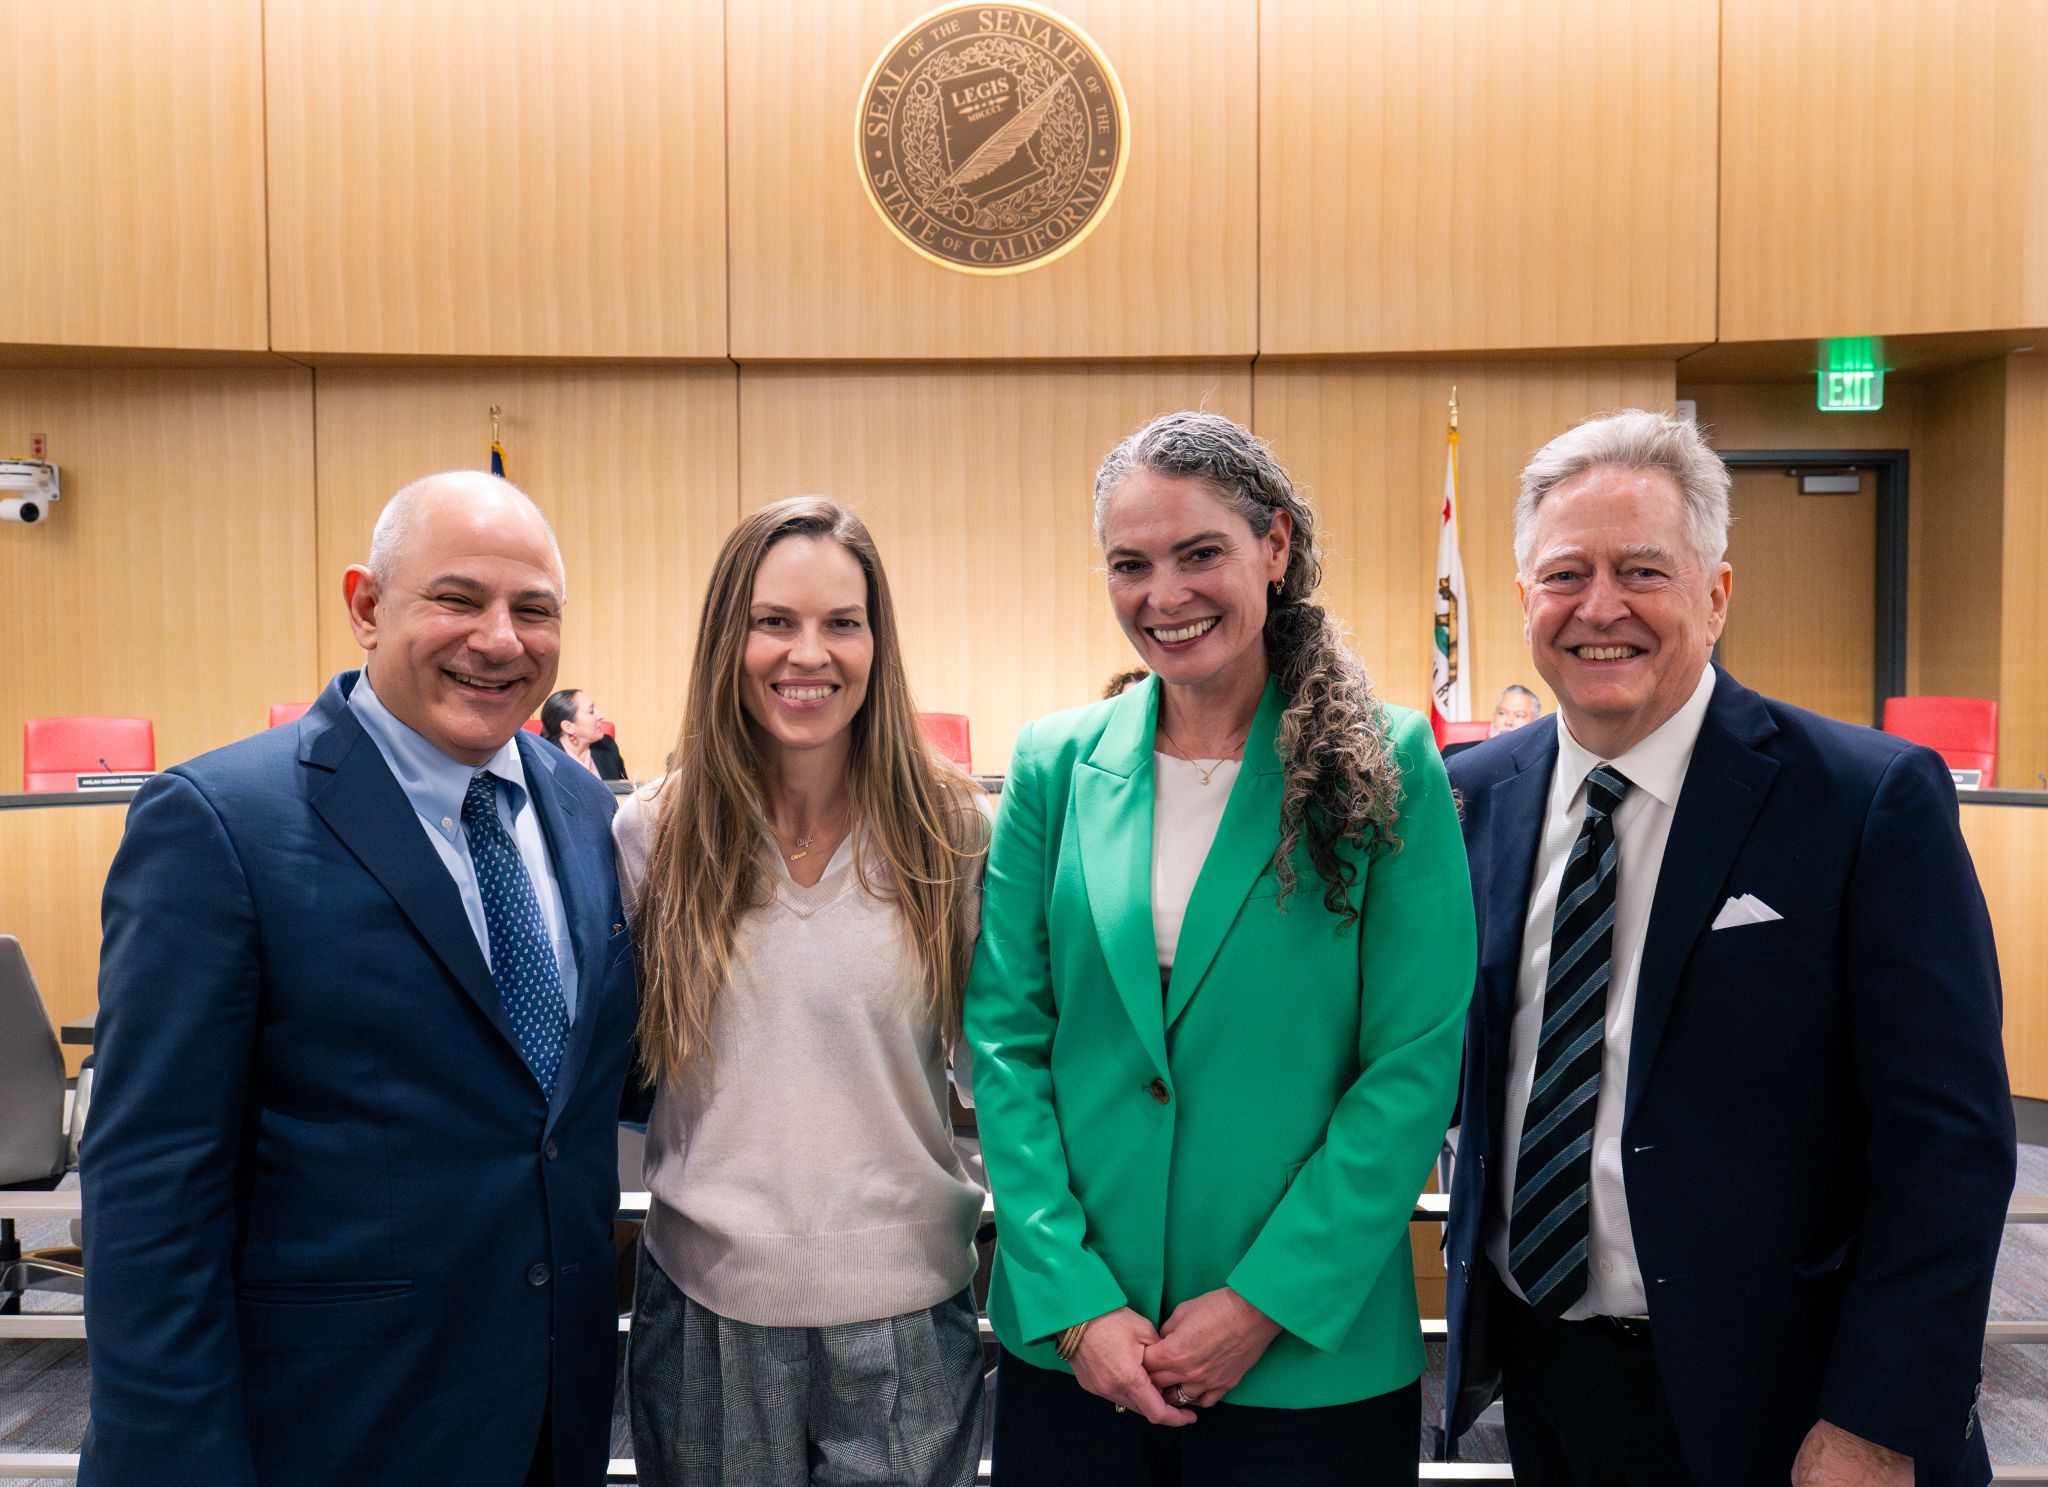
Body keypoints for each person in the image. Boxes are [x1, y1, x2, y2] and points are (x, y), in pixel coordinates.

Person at [1441, 410, 2015, 1486]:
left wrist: (1878, 1421)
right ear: (1522, 600)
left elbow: (1949, 1141)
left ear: (1714, 594)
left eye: (1641, 571)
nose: (1599, 607)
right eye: (1565, 574)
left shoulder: (1862, 799)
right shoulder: (1467, 798)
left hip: (1794, 1404)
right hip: (1548, 1375)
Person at [81, 472, 640, 1487]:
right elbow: (151, 1195)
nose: (500, 639)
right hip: (329, 1429)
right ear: (367, 605)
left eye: (534, 610)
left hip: (551, 1421)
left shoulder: (588, 808)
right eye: (458, 598)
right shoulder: (217, 823)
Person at [968, 411, 1475, 1486]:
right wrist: (1074, 1303)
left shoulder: (1384, 762)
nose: (1165, 594)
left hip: (1304, 1357)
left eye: (1199, 552)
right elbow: (1007, 1042)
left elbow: (1412, 1062)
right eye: (1130, 564)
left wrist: (1260, 1302)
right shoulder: (1052, 765)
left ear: (1274, 546)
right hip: (1080, 1348)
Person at [614, 496, 990, 1487]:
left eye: (841, 622)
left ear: (877, 641)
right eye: (773, 620)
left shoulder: (951, 833)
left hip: (908, 1314)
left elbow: (998, 1073)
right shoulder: (655, 833)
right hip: (706, 1309)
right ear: (727, 638)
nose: (808, 653)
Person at [543, 688, 629, 780]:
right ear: (568, 727)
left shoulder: (607, 746)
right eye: (591, 711)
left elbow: (623, 787)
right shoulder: (546, 759)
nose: (601, 715)